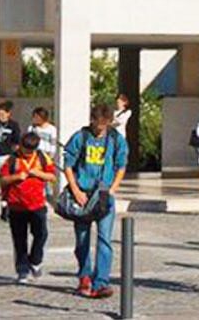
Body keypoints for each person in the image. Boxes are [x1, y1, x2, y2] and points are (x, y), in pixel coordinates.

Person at [63, 104, 128, 299]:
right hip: (82, 193)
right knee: (82, 240)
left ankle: (101, 282)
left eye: (104, 126)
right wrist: (75, 190)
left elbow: (121, 165)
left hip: (104, 195)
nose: (101, 130)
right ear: (91, 120)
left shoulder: (116, 139)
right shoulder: (80, 137)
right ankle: (84, 276)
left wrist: (112, 190)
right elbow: (68, 165)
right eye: (98, 125)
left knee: (105, 240)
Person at [0, 132, 56, 283]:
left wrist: (38, 173)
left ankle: (36, 260)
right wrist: (17, 177)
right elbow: (2, 180)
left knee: (41, 234)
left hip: (37, 204)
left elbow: (52, 177)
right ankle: (22, 270)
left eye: (31, 151)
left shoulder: (42, 158)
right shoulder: (12, 159)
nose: (27, 154)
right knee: (19, 239)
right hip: (17, 205)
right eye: (25, 150)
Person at [27, 107, 58, 201]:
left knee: (47, 177)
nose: (35, 119)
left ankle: (49, 197)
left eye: (37, 117)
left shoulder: (52, 129)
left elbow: (53, 143)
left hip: (47, 155)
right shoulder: (32, 128)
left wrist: (51, 156)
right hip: (35, 155)